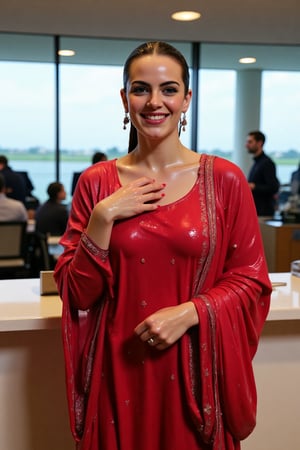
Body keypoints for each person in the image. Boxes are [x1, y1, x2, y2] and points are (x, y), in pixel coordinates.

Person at [54, 41, 271, 450]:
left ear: (187, 98)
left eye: (169, 89)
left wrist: (192, 312)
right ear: (125, 98)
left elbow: (250, 279)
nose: (155, 102)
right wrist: (102, 218)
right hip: (114, 372)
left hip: (193, 373)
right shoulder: (96, 183)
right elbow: (77, 294)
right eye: (141, 89)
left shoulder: (224, 179)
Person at [246, 131, 280, 216]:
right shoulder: (257, 162)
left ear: (259, 143)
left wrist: (254, 186)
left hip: (264, 213)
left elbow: (274, 187)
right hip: (257, 211)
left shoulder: (267, 163)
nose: (246, 145)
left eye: (250, 142)